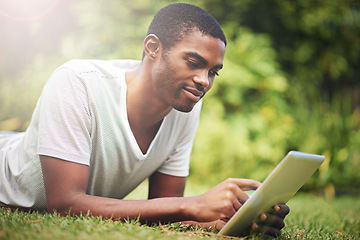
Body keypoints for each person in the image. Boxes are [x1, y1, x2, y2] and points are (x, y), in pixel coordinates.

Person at [0, 3, 289, 237]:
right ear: (152, 48)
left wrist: (225, 221)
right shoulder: (78, 82)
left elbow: (164, 210)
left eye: (214, 71)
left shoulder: (185, 106)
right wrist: (193, 205)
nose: (204, 82)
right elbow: (64, 204)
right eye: (193, 63)